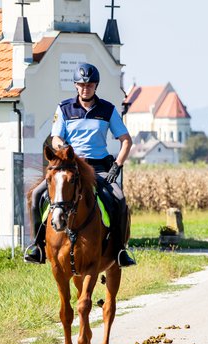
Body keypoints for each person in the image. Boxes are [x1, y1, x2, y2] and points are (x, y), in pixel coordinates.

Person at [24, 62, 136, 267]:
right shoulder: (64, 108)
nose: (86, 88)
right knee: (37, 195)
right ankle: (37, 245)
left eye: (90, 85)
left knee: (119, 199)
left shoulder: (107, 110)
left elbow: (126, 140)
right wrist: (64, 147)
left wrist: (117, 165)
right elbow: (55, 137)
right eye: (82, 85)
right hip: (71, 165)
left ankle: (120, 251)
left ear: (96, 86)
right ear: (76, 86)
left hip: (99, 168)